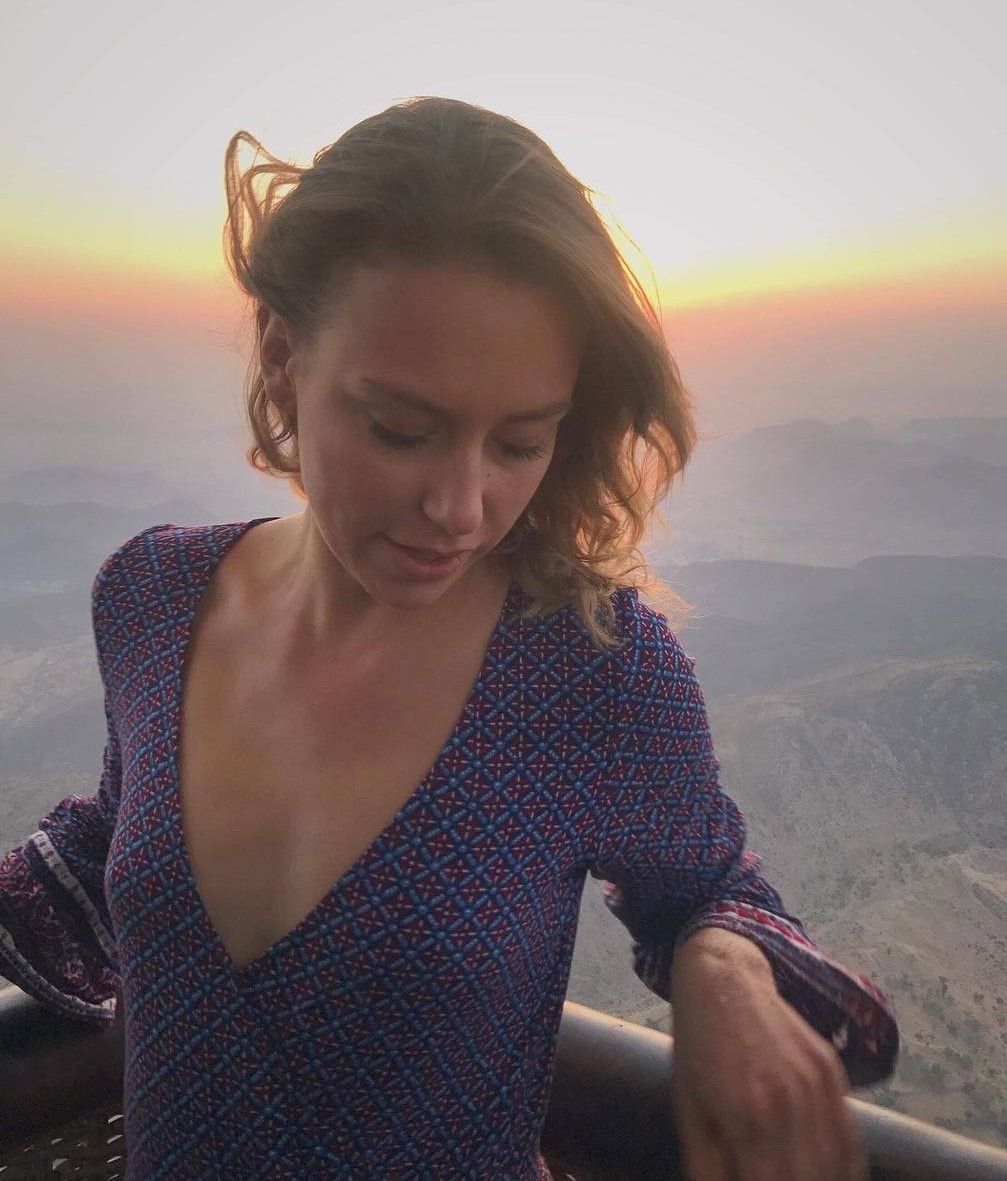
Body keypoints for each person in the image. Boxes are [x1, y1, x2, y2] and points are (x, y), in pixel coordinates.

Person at [0, 96, 897, 1180]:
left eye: (518, 444)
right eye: (401, 429)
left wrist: (724, 969)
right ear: (281, 357)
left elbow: (710, 889)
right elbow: (118, 832)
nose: (461, 509)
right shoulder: (152, 597)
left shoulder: (593, 668)